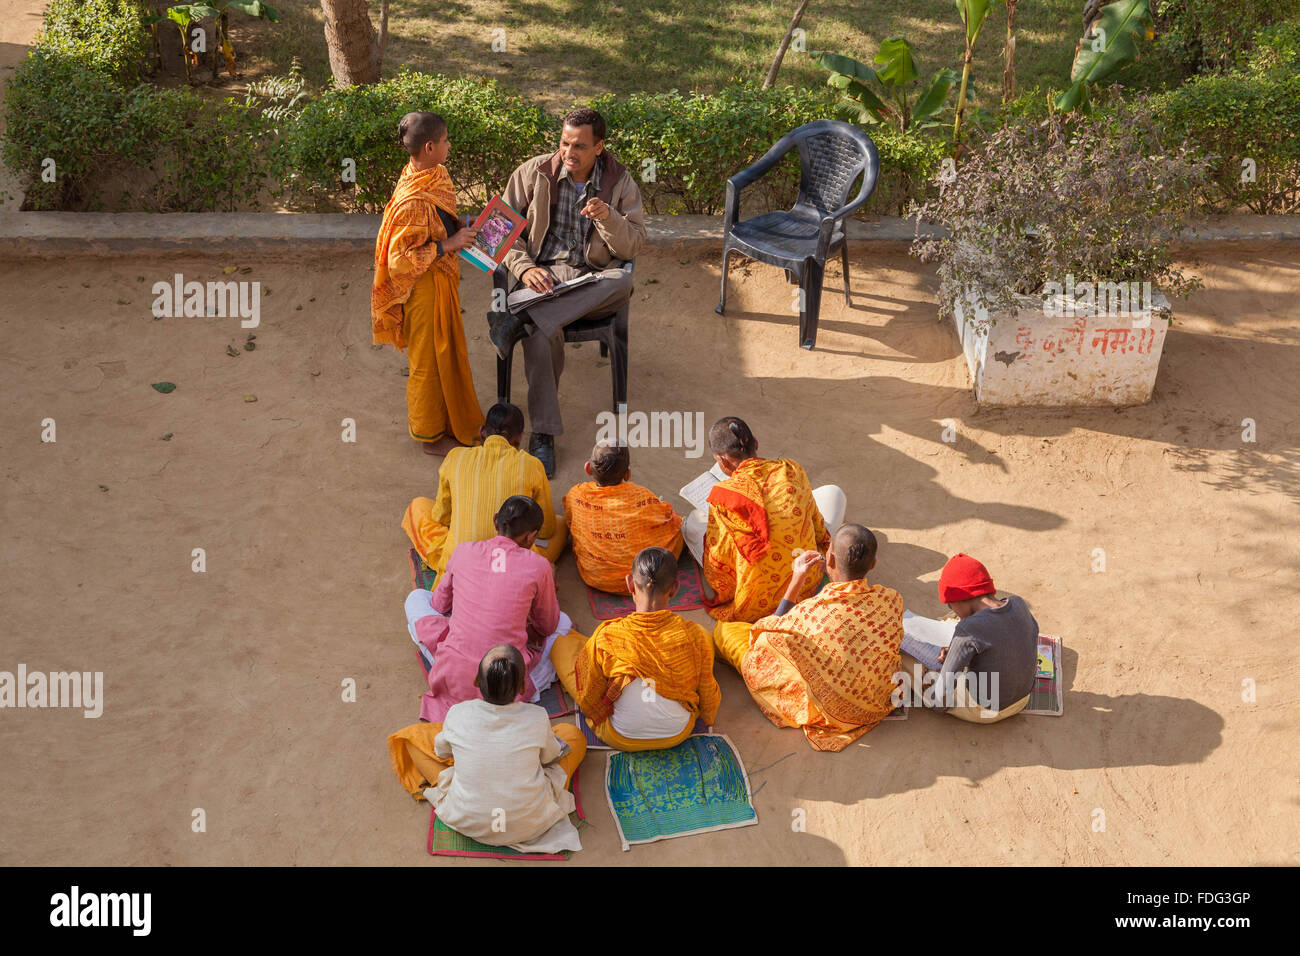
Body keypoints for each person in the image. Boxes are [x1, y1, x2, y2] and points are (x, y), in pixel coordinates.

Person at [488, 107, 647, 477]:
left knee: (621, 281)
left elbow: (633, 247)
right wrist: (525, 268)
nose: (568, 153)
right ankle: (542, 433)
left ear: (599, 147)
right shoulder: (534, 172)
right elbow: (496, 232)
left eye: (579, 146)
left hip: (592, 281)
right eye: (563, 143)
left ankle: (519, 320)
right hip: (543, 278)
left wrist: (609, 218)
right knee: (542, 335)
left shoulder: (620, 182)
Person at [714, 525, 904, 751]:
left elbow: (767, 634)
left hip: (830, 712)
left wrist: (797, 579)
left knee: (725, 630)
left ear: (829, 559)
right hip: (874, 702)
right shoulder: (892, 600)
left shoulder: (810, 612)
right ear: (873, 564)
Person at [387, 645, 588, 854]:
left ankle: (460, 784)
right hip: (528, 824)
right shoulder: (537, 716)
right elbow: (549, 758)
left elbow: (442, 752)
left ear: (476, 681)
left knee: (412, 738)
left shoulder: (459, 713)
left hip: (467, 820)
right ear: (521, 688)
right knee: (572, 735)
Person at [371, 111, 484, 456]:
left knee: (448, 352)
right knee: (428, 360)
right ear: (431, 146)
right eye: (447, 140)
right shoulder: (413, 202)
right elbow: (400, 259)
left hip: (441, 281)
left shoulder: (434, 175)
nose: (450, 145)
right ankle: (430, 436)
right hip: (423, 289)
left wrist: (462, 225)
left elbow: (442, 219)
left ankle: (451, 419)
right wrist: (449, 245)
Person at [406, 495, 572, 725]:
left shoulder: (464, 551)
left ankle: (449, 658)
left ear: (495, 521)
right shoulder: (539, 565)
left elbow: (439, 605)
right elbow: (547, 626)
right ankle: (523, 693)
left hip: (452, 675)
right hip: (507, 685)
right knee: (563, 622)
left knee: (416, 598)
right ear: (532, 536)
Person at [550, 547, 721, 751]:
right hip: (679, 733)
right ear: (675, 589)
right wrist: (708, 718)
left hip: (620, 736)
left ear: (629, 584)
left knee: (562, 644)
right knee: (704, 639)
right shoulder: (694, 635)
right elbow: (707, 690)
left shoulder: (607, 636)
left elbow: (589, 695)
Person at [685, 416, 845, 623]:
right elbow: (817, 524)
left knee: (692, 524)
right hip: (807, 580)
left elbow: (718, 562)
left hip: (754, 603)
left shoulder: (722, 494)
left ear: (722, 461)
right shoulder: (791, 469)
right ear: (756, 444)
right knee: (834, 492)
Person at [402, 402, 566, 577]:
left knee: (418, 506)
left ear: (482, 432)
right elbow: (547, 529)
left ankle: (448, 556)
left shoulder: (456, 457)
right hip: (511, 568)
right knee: (560, 524)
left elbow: (441, 516)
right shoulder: (532, 466)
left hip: (459, 566)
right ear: (518, 439)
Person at [899, 553, 1039, 723]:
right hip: (1024, 697)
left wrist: (935, 693)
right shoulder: (1019, 603)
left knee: (904, 657)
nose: (954, 610)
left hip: (987, 710)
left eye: (950, 605)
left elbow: (939, 700)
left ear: (958, 601)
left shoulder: (968, 629)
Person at [563, 441, 684, 594]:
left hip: (596, 577)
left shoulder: (576, 494)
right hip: (646, 578)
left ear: (588, 468)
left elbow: (570, 520)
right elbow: (665, 519)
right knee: (677, 525)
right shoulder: (642, 495)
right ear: (627, 474)